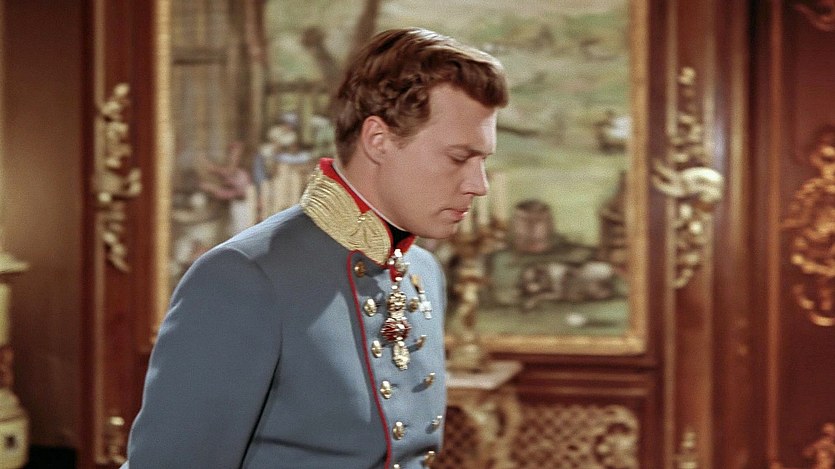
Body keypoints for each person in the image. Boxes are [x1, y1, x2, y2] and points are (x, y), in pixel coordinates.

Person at [123, 27, 508, 468]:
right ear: (378, 140)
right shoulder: (242, 278)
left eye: (484, 161)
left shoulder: (422, 271)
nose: (478, 185)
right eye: (459, 158)